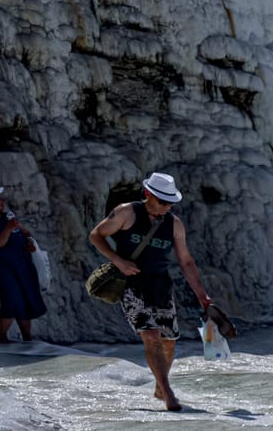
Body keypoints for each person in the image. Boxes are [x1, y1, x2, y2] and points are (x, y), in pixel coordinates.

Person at [87, 171, 215, 412]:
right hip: (132, 285)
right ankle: (168, 393)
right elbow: (96, 235)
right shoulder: (127, 212)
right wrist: (118, 260)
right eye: (162, 201)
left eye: (170, 203)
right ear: (148, 194)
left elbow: (186, 261)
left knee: (169, 341)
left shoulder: (174, 224)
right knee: (151, 336)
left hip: (161, 285)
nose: (166, 207)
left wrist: (202, 295)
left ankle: (160, 386)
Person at [0, 184, 46, 342]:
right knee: (11, 300)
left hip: (22, 263)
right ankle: (2, 338)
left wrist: (28, 242)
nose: (1, 200)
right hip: (3, 267)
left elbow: (25, 232)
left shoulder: (7, 217)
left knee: (26, 300)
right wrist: (7, 229)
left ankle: (28, 338)